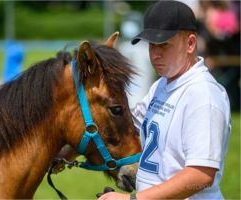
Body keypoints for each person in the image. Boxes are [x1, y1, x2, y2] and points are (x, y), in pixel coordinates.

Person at [99, 1, 231, 200]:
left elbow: (202, 175)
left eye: (164, 45)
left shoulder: (203, 96)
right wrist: (69, 148)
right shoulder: (162, 85)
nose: (155, 54)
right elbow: (125, 125)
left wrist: (132, 199)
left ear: (190, 43)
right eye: (152, 45)